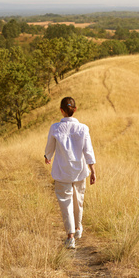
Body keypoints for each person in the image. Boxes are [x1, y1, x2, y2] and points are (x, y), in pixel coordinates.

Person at [44, 97, 96, 249]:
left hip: (62, 172)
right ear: (75, 109)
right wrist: (92, 170)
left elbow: (49, 147)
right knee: (78, 200)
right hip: (80, 171)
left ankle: (70, 236)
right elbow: (88, 151)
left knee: (66, 203)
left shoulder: (55, 128)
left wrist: (48, 157)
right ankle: (78, 228)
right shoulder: (83, 128)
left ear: (61, 110)